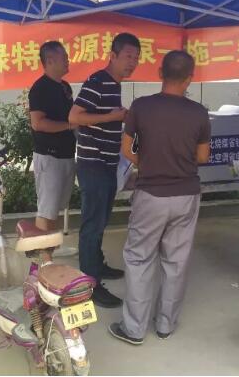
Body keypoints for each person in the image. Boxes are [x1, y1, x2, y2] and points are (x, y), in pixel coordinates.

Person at [108, 51, 210, 345]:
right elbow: (203, 156)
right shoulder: (198, 113)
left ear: (160, 73)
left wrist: (149, 163)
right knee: (176, 261)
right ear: (190, 78)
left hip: (151, 194)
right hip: (186, 194)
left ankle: (134, 329)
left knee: (140, 258)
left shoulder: (141, 107)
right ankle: (166, 324)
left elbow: (127, 150)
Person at [69, 32, 140, 308]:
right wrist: (113, 116)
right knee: (92, 225)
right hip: (93, 164)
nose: (132, 62)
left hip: (108, 164)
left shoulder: (114, 84)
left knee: (100, 222)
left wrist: (118, 118)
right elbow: (75, 117)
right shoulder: (98, 81)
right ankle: (89, 285)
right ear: (113, 55)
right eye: (127, 56)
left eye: (136, 58)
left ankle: (97, 265)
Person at [28, 41, 76, 231]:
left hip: (67, 155)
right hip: (49, 157)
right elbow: (38, 123)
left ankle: (51, 246)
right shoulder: (39, 88)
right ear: (49, 60)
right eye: (64, 57)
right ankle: (42, 250)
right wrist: (69, 126)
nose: (68, 60)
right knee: (46, 211)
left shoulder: (65, 86)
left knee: (55, 210)